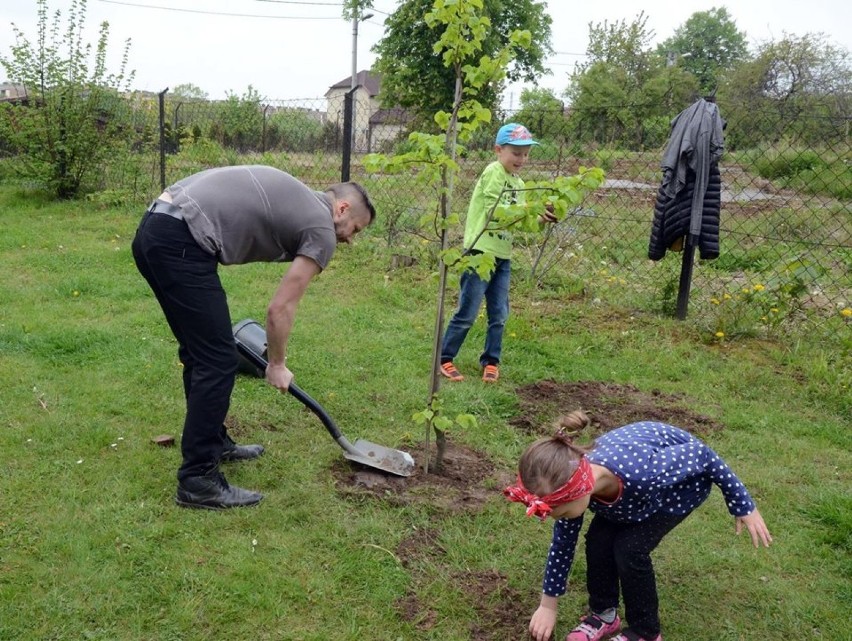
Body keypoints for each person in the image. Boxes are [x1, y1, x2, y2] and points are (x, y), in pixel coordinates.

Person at [132, 165, 376, 510]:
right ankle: (198, 480)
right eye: (355, 229)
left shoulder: (302, 202)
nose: (351, 239)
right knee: (217, 359)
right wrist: (277, 364)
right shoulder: (321, 227)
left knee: (200, 353)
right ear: (342, 209)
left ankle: (214, 443)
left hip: (155, 229)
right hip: (179, 239)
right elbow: (280, 308)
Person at [504, 411, 772, 641]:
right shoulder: (574, 483)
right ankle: (604, 615)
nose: (556, 519)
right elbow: (563, 546)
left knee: (629, 549)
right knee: (598, 541)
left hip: (675, 492)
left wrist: (742, 504)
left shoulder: (644, 471)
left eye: (559, 513)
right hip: (623, 500)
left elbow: (702, 454)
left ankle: (645, 631)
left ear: (580, 491)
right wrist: (547, 606)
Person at [439, 122, 557, 384]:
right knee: (468, 311)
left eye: (526, 153)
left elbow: (521, 223)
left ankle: (491, 361)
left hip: (502, 256)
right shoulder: (493, 172)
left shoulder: (519, 182)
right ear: (498, 150)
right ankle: (444, 358)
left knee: (499, 314)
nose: (521, 159)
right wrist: (529, 208)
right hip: (480, 253)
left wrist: (539, 219)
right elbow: (497, 212)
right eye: (516, 153)